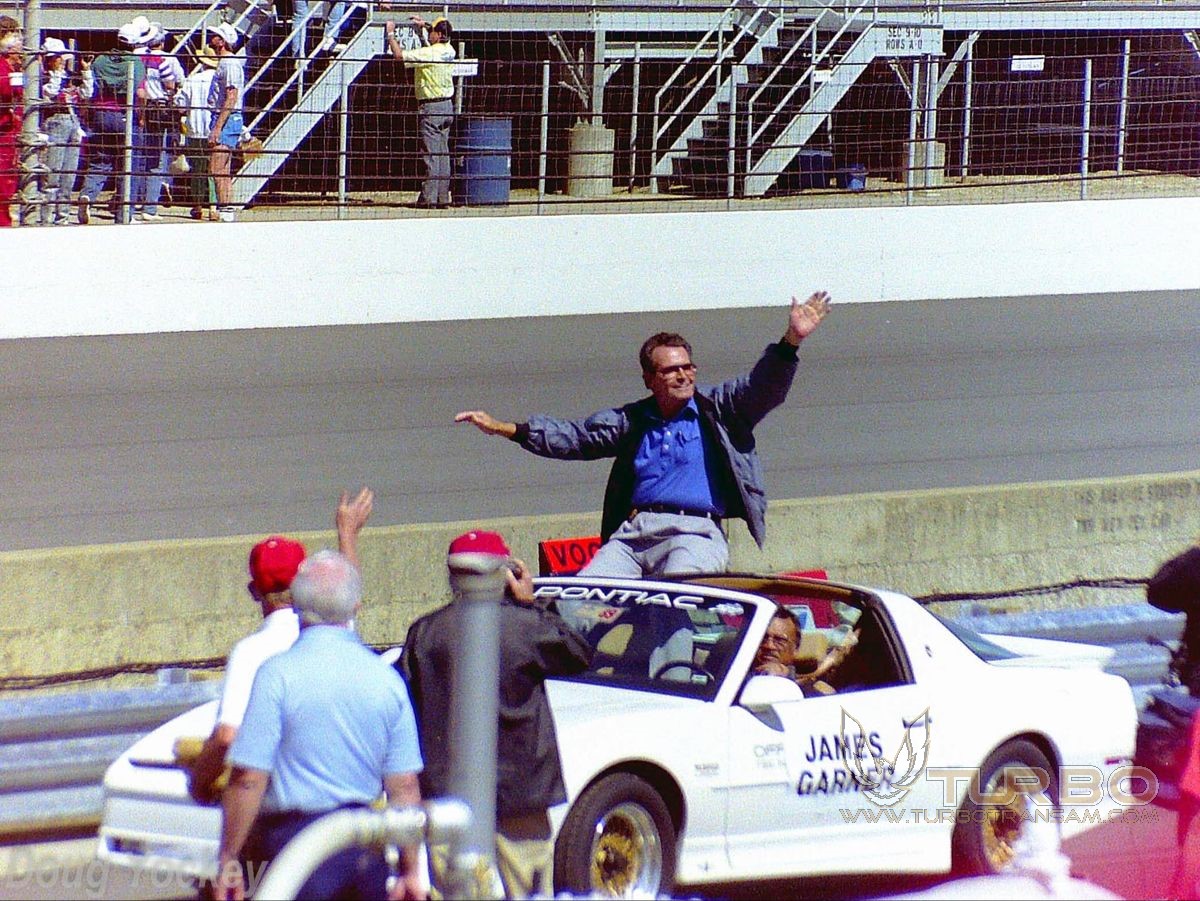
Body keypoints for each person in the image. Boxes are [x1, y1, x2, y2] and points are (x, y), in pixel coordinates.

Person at [456, 292, 833, 578]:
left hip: (695, 533)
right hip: (634, 535)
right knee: (582, 602)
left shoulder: (720, 410)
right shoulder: (633, 421)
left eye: (688, 367)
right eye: (671, 370)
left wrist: (790, 342)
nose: (683, 375)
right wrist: (504, 428)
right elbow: (575, 438)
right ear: (650, 379)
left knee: (675, 602)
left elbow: (763, 387)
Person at [214, 549, 425, 901]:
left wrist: (228, 858)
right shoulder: (387, 681)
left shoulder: (277, 675)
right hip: (363, 847)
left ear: (296, 603)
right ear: (356, 606)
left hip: (291, 848)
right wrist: (411, 869)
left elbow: (248, 778)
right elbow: (404, 786)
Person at [397, 529, 592, 900]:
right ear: (502, 572)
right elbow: (577, 654)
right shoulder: (525, 625)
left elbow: (409, 703)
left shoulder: (425, 632)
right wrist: (531, 604)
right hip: (520, 787)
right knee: (530, 889)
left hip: (448, 788)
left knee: (454, 890)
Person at [188, 488, 374, 805]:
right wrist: (347, 534)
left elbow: (226, 736)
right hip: (344, 797)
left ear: (253, 591)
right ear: (303, 582)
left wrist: (199, 782)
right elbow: (347, 596)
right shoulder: (332, 628)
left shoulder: (251, 651)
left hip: (281, 807)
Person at [384, 16, 455, 209]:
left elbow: (399, 56)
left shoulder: (428, 54)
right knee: (442, 154)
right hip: (447, 105)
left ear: (438, 35)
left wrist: (391, 33)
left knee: (431, 155)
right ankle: (442, 197)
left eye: (431, 29)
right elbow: (431, 47)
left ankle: (428, 199)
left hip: (431, 107)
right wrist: (424, 26)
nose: (428, 31)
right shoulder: (449, 50)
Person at [131, 22, 184, 222]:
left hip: (137, 107)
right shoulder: (165, 60)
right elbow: (174, 83)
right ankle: (150, 206)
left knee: (137, 155)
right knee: (156, 158)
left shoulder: (137, 58)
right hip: (158, 109)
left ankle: (133, 198)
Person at [38, 37, 93, 226]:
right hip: (55, 121)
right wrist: (57, 76)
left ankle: (62, 216)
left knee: (69, 172)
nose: (61, 60)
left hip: (72, 121)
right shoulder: (43, 77)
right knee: (52, 172)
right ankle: (46, 217)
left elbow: (86, 93)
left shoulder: (69, 75)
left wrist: (86, 73)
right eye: (57, 57)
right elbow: (50, 93)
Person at [206, 22, 245, 223]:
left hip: (226, 118)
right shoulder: (226, 63)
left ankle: (226, 208)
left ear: (222, 42)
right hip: (226, 117)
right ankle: (226, 208)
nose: (211, 37)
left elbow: (231, 96)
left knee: (217, 167)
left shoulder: (229, 64)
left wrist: (217, 127)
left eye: (215, 35)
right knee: (223, 168)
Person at [180, 45, 219, 221]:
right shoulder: (220, 79)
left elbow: (181, 103)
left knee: (197, 170)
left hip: (195, 130)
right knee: (214, 169)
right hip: (214, 129)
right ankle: (213, 206)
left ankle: (197, 205)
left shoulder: (192, 80)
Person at [0, 15, 23, 228]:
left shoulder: (11, 67)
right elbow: (8, 92)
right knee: (3, 186)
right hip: (3, 132)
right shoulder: (2, 68)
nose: (18, 39)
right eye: (12, 34)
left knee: (8, 183)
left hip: (10, 133)